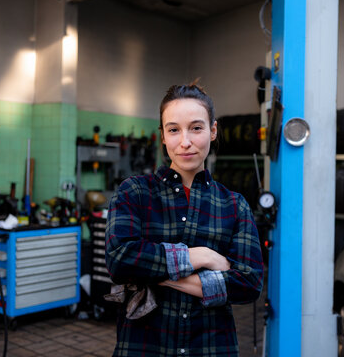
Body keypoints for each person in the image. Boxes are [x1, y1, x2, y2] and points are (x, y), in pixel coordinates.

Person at [105, 83, 264, 356]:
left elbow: (248, 284)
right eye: (174, 129)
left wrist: (155, 274)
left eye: (196, 128)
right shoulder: (136, 191)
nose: (185, 141)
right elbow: (120, 259)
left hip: (211, 348)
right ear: (163, 136)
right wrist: (203, 257)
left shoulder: (234, 205)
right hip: (144, 347)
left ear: (213, 131)